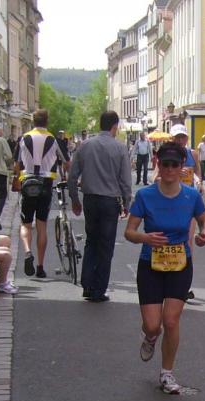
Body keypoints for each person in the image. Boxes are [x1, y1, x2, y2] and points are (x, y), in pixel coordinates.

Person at [124, 143, 205, 394]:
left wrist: (204, 234)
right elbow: (129, 232)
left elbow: (204, 221)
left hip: (180, 264)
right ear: (158, 165)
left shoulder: (191, 196)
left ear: (182, 166)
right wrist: (145, 238)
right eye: (165, 164)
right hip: (150, 264)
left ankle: (167, 373)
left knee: (171, 321)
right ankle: (150, 336)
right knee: (153, 325)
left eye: (175, 165)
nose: (170, 169)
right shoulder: (145, 195)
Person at [68, 111, 132, 302]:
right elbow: (125, 180)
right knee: (106, 246)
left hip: (90, 200)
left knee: (91, 241)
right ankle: (98, 289)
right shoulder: (120, 148)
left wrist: (74, 199)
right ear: (115, 126)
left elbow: (72, 176)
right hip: (110, 201)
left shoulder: (85, 145)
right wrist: (127, 203)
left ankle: (87, 285)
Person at [13, 109, 69, 279]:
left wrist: (17, 178)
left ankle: (27, 251)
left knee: (26, 224)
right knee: (42, 225)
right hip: (45, 184)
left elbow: (16, 164)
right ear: (47, 121)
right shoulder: (53, 139)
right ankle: (40, 266)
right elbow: (66, 162)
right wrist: (66, 176)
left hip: (28, 182)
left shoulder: (24, 138)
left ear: (33, 121)